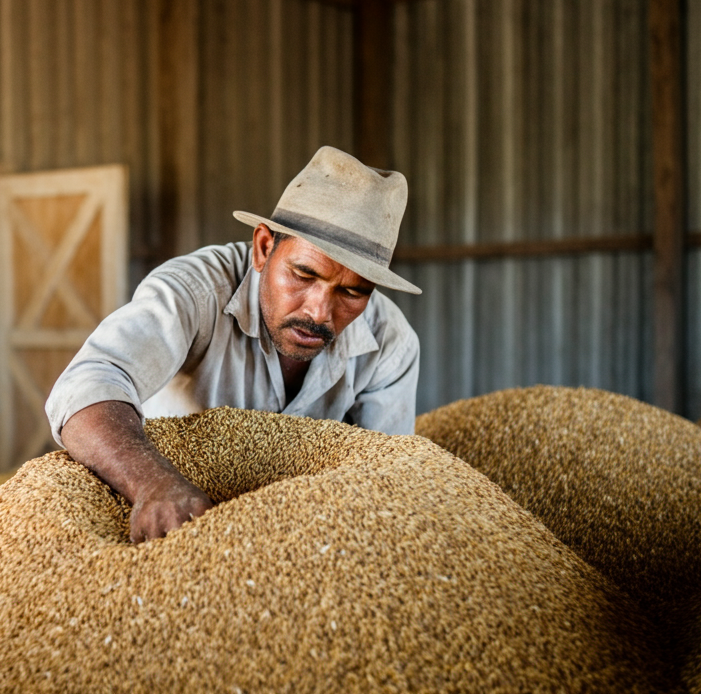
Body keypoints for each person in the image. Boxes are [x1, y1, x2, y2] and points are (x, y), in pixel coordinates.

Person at [44, 146, 422, 542]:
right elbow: (86, 385)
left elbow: (384, 477)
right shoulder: (195, 292)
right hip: (166, 520)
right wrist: (152, 485)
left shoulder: (389, 343)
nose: (319, 311)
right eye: (304, 274)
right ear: (263, 248)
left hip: (305, 538)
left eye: (352, 292)